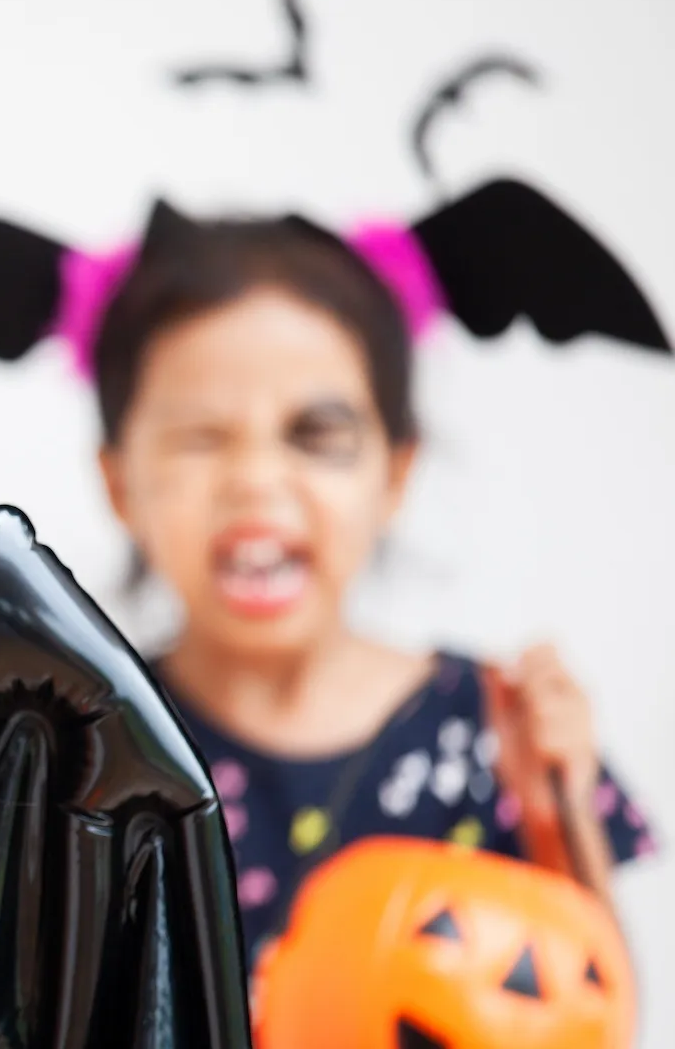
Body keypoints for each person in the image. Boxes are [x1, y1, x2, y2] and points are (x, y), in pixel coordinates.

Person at [89, 204, 656, 962]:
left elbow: (586, 1007)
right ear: (120, 483)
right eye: (200, 437)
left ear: (395, 472)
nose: (257, 481)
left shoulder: (487, 733)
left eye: (317, 435)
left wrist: (557, 816)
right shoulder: (90, 750)